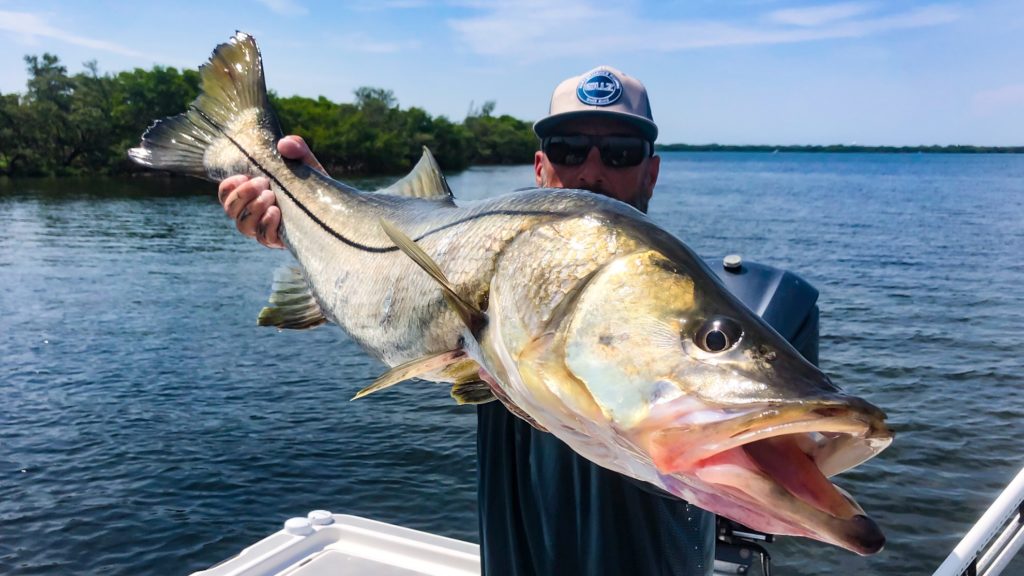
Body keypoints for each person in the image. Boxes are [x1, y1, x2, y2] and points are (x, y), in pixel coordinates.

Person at [218, 66, 819, 576]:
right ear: (540, 166)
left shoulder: (677, 299)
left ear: (650, 172)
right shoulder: (496, 262)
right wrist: (310, 206)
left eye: (619, 153)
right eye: (567, 150)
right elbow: (391, 276)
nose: (591, 170)